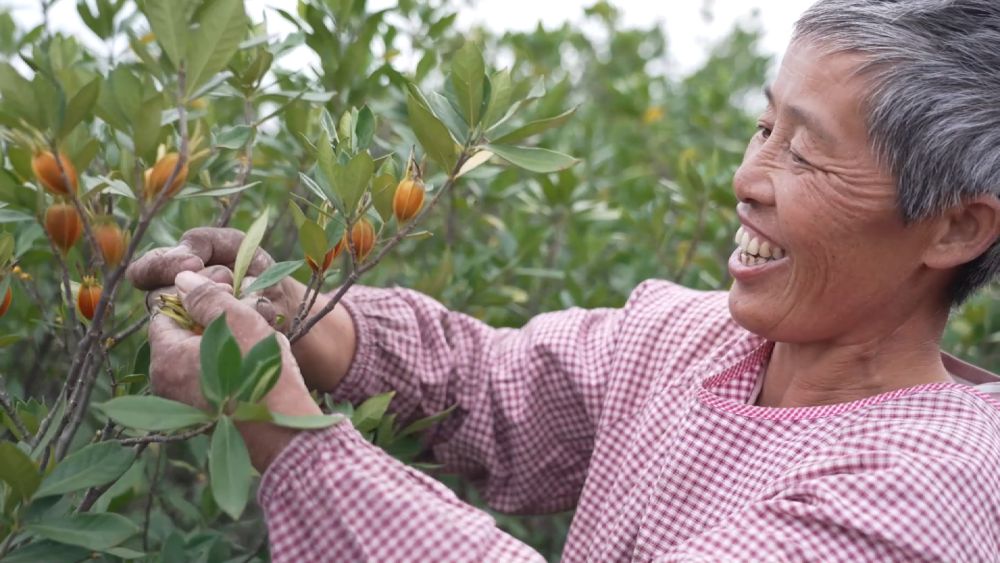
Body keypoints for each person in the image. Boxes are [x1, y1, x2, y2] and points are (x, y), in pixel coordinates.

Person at [128, 0, 1000, 560]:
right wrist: (310, 315)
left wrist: (279, 426)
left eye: (804, 150)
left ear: (956, 225)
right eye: (763, 125)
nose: (747, 177)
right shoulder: (689, 337)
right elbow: (499, 386)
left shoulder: (926, 493)